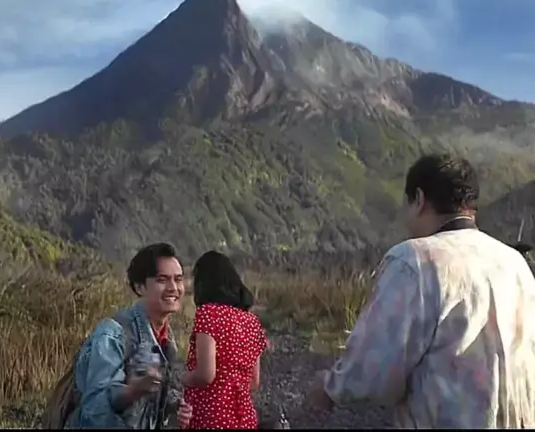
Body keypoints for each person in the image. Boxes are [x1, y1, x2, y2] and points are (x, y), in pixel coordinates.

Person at [304, 153, 535, 428]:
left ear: (419, 199)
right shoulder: (514, 261)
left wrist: (330, 387)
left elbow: (375, 365)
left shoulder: (415, 260)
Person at [65, 243, 192, 429]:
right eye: (162, 280)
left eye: (178, 279)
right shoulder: (113, 334)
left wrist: (175, 413)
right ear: (140, 287)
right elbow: (95, 410)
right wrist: (133, 391)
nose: (173, 288)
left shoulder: (166, 338)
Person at [181, 250, 267, 429]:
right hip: (244, 417)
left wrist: (183, 378)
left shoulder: (208, 314)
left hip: (210, 416)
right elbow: (254, 382)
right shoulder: (252, 321)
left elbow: (205, 375)